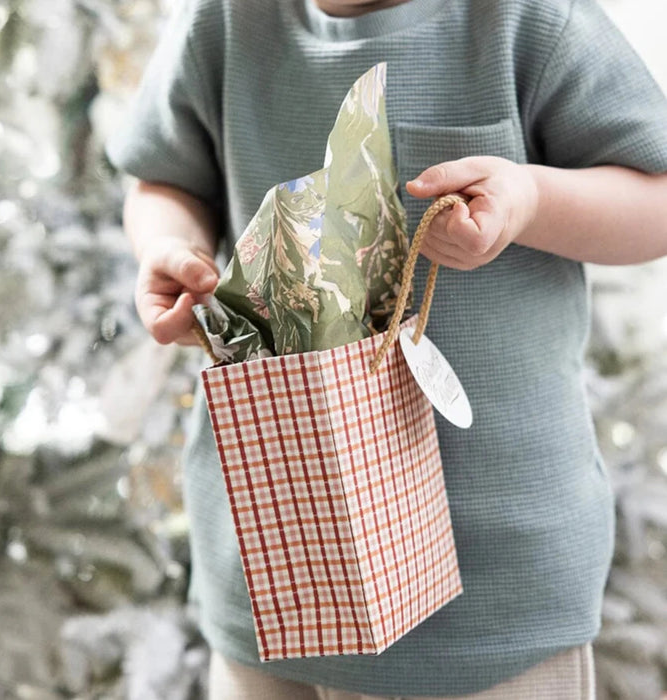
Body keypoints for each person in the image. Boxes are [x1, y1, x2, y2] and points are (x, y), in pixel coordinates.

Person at [107, 0, 667, 697]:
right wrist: (172, 248)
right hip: (275, 558)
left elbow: (656, 195)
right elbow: (164, 177)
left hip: (497, 587)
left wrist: (530, 200)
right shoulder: (224, 20)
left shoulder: (531, 21)